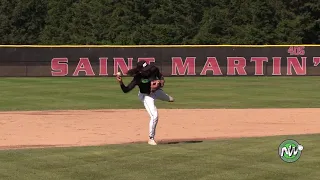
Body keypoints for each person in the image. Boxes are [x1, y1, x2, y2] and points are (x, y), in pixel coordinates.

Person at [116, 60, 174, 145]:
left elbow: (160, 76)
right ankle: (151, 138)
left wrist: (161, 81)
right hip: (146, 96)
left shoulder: (153, 69)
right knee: (155, 116)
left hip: (156, 91)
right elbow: (126, 90)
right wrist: (120, 82)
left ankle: (167, 98)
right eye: (145, 69)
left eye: (147, 67)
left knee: (171, 99)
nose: (148, 70)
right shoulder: (138, 78)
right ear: (140, 70)